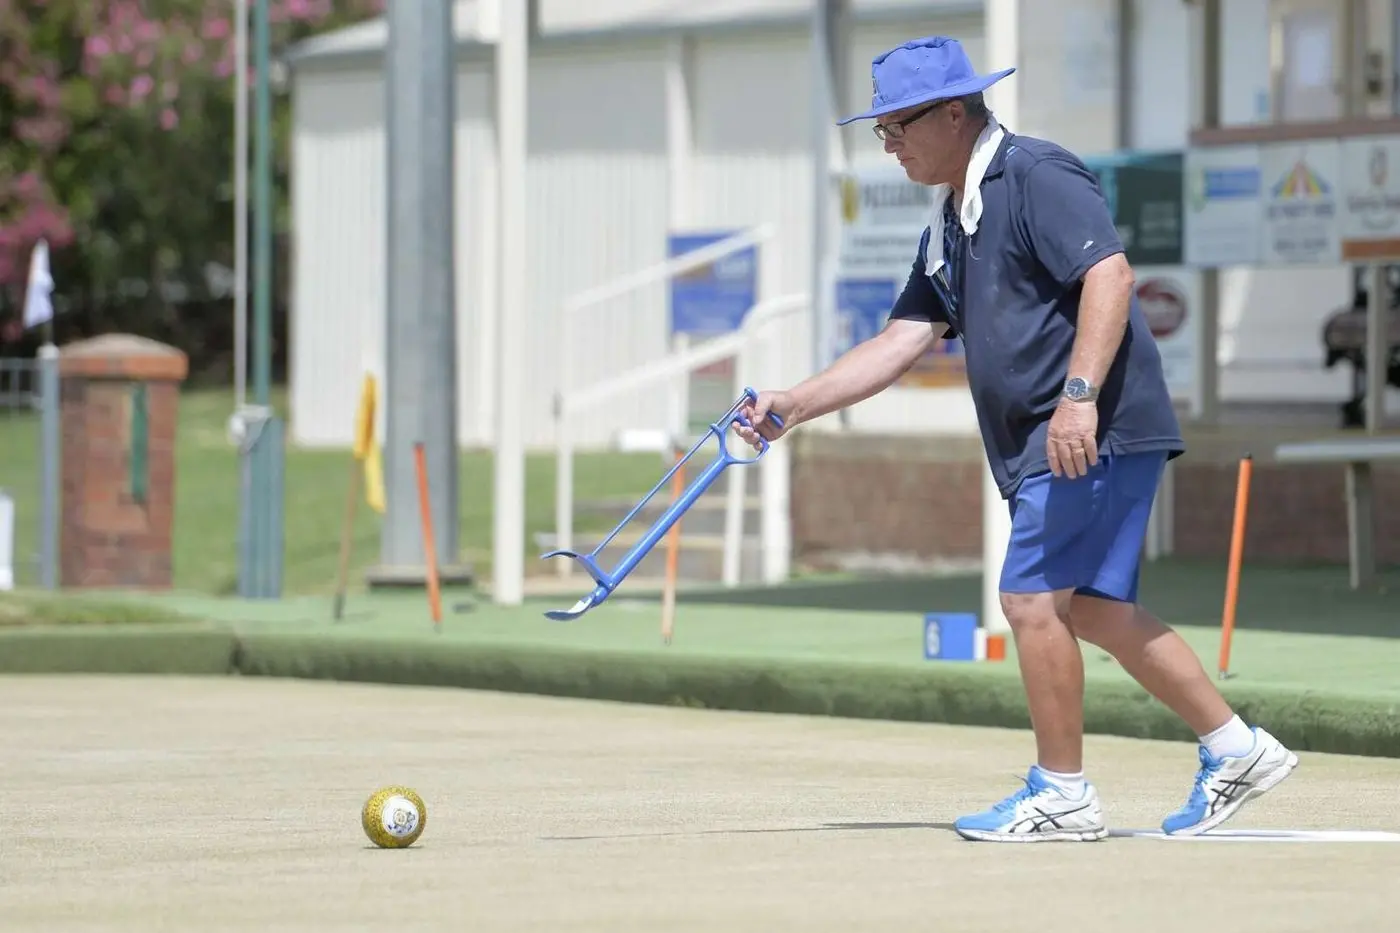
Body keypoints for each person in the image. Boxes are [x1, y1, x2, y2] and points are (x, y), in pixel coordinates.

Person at [732, 36, 1297, 842]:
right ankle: (1238, 748)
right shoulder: (949, 223)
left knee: (1030, 598)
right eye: (880, 131)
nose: (887, 145)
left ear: (954, 112)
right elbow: (899, 341)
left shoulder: (1036, 174)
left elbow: (1110, 275)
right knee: (1097, 609)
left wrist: (1077, 399)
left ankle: (1063, 793)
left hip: (1084, 429)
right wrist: (795, 402)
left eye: (897, 127)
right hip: (1072, 435)